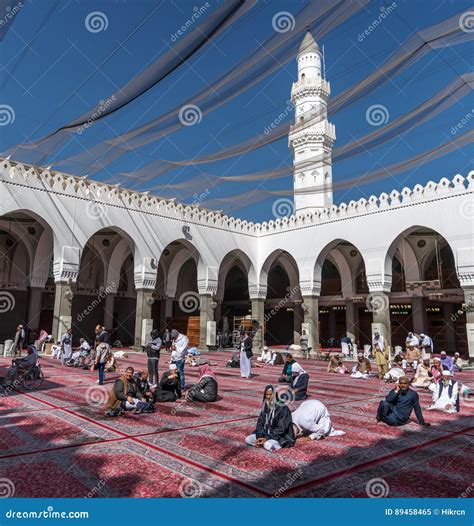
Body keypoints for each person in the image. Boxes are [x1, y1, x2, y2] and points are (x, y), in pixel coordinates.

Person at [245, 385, 295, 451]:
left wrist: (267, 438)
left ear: (275, 395)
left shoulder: (282, 408)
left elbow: (281, 429)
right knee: (248, 439)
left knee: (268, 444)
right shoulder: (265, 406)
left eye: (270, 395)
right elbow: (260, 423)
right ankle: (261, 442)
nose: (268, 397)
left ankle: (265, 443)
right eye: (267, 395)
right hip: (265, 435)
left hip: (279, 437)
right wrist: (260, 436)